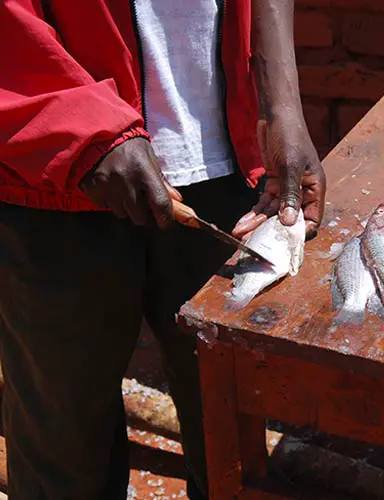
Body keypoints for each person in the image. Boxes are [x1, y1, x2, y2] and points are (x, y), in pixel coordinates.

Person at [0, 0, 326, 498]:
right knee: (64, 451)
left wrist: (281, 106)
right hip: (55, 174)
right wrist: (79, 127)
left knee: (229, 440)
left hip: (227, 168)